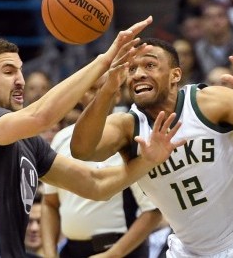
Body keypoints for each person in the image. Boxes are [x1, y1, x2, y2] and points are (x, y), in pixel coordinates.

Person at [0, 17, 185, 258]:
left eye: (21, 71)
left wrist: (148, 160)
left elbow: (96, 184)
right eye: (9, 72)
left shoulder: (29, 143)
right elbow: (41, 116)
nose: (20, 80)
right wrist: (104, 60)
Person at [71, 37, 233, 257]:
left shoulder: (208, 102)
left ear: (175, 75)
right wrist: (108, 88)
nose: (138, 74)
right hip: (188, 251)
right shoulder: (127, 126)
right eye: (131, 69)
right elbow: (82, 150)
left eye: (150, 65)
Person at [42, 78, 161, 258]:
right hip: (72, 250)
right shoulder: (61, 138)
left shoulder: (131, 139)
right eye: (90, 89)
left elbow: (153, 211)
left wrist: (112, 255)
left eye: (104, 89)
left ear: (118, 95)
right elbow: (50, 203)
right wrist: (50, 254)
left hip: (121, 251)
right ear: (81, 94)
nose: (97, 95)